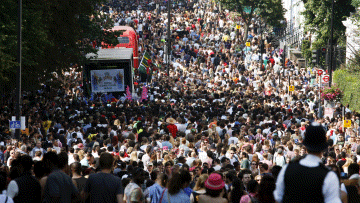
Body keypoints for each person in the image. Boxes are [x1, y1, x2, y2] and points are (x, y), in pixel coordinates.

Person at [274, 122, 342, 203]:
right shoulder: (329, 176)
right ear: (323, 147)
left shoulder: (287, 169)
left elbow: (278, 198)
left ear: (305, 146)